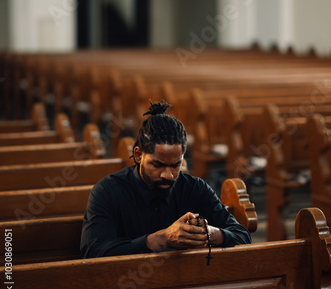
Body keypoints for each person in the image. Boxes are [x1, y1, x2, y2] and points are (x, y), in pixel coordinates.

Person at [80, 101, 251, 258]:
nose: (168, 175)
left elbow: (243, 236)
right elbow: (93, 252)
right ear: (138, 155)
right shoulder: (107, 191)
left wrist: (211, 233)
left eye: (176, 165)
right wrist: (160, 239)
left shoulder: (195, 188)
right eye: (158, 165)